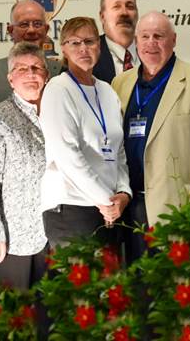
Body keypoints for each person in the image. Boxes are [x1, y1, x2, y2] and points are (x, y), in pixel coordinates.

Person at [112, 11, 190, 262]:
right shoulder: (120, 83)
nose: (151, 43)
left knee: (176, 293)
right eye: (144, 36)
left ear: (174, 40)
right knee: (135, 291)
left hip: (179, 209)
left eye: (159, 36)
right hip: (129, 208)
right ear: (136, 41)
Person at [39, 17, 131, 249]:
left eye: (89, 41)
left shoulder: (107, 91)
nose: (83, 49)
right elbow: (67, 156)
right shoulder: (58, 90)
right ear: (64, 50)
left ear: (99, 46)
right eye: (75, 43)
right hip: (72, 210)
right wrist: (105, 200)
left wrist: (123, 193)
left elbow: (118, 150)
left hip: (109, 209)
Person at [0, 42, 49, 290]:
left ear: (46, 76)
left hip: (51, 234)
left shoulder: (57, 113)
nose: (30, 74)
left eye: (37, 68)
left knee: (47, 316)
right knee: (14, 317)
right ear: (10, 79)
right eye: (22, 69)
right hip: (11, 238)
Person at [0, 0, 61, 105]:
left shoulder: (61, 72)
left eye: (37, 24)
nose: (31, 30)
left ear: (46, 30)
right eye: (24, 24)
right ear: (10, 31)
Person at [93, 0, 139, 83]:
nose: (124, 13)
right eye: (116, 7)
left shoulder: (153, 52)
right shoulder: (86, 54)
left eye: (130, 7)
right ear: (102, 17)